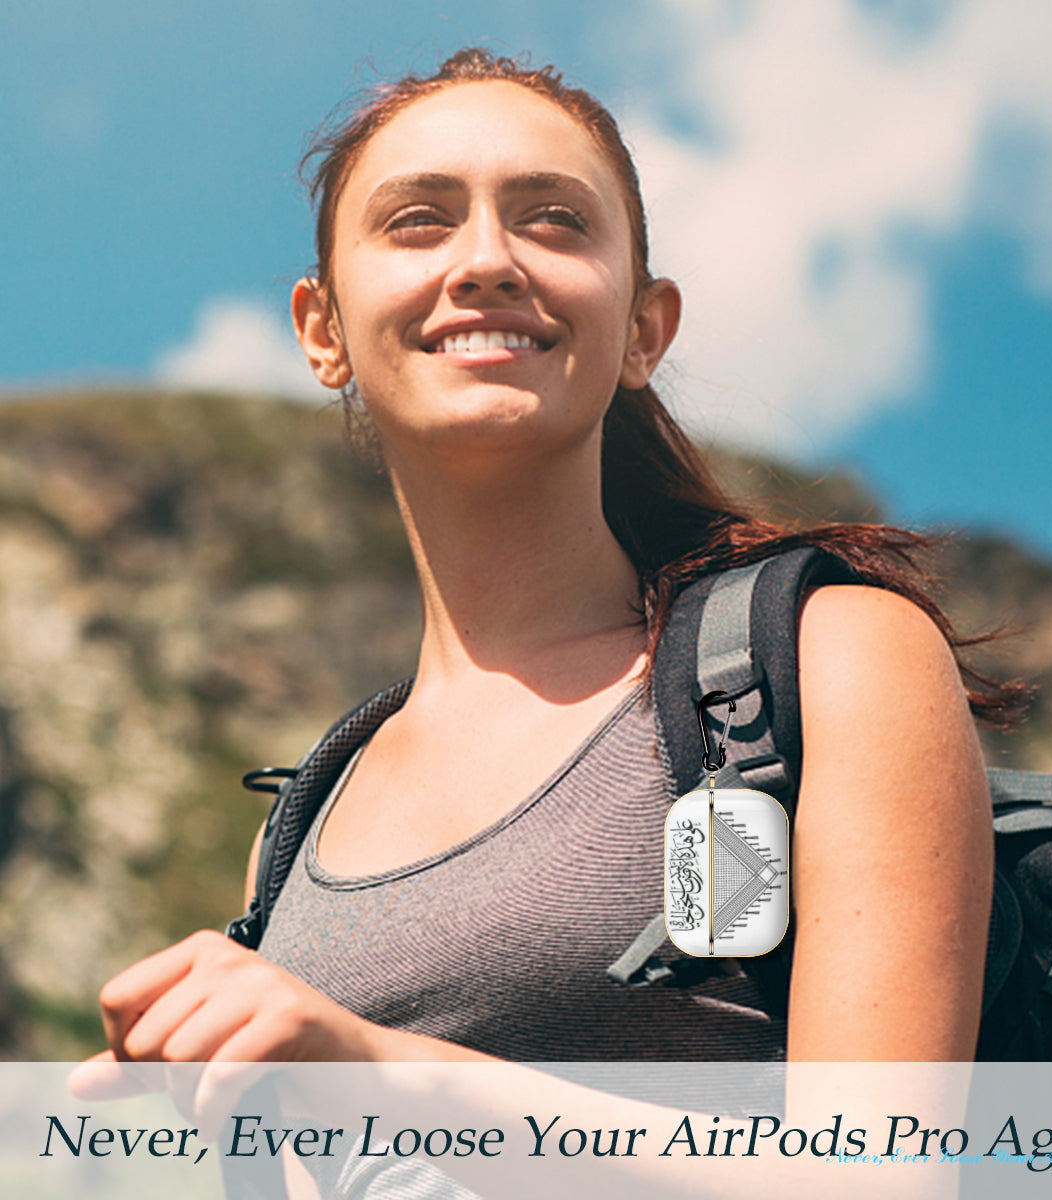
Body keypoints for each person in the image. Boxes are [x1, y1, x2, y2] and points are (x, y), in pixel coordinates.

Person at [84, 48, 1005, 1079]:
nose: (485, 260)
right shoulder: (296, 835)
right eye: (418, 220)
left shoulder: (825, 657)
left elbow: (881, 1174)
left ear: (644, 331)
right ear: (322, 330)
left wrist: (391, 1072)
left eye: (554, 219)